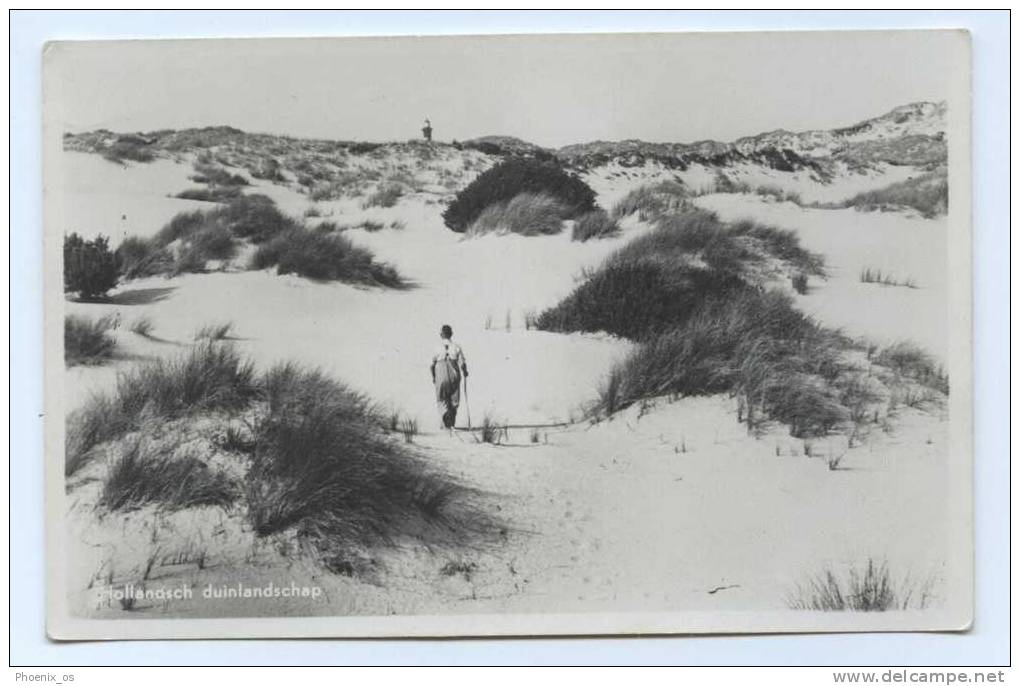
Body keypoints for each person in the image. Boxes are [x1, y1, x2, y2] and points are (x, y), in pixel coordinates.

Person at [430, 324, 468, 432]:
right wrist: (465, 372)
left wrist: (434, 377)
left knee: (442, 398)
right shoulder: (456, 347)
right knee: (454, 399)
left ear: (441, 335)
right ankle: (451, 422)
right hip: (454, 374)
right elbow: (462, 363)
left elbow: (431, 365)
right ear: (451, 334)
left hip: (440, 374)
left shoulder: (436, 347)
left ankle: (446, 417)